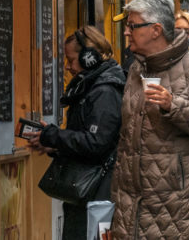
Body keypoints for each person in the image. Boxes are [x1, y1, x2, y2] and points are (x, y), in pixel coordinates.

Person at [110, 0, 189, 240]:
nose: (126, 33)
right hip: (133, 205)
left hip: (179, 206)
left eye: (132, 26)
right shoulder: (136, 69)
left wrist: (173, 105)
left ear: (155, 30)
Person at [26, 26, 125, 240]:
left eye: (71, 60)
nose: (68, 67)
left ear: (89, 57)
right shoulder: (92, 87)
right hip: (88, 192)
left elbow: (96, 143)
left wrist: (53, 136)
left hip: (97, 193)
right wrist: (54, 146)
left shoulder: (104, 91)